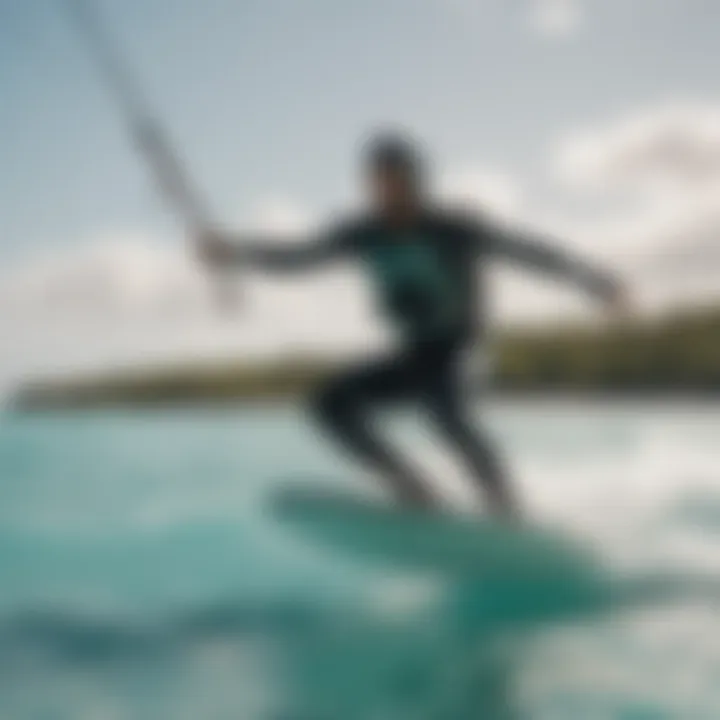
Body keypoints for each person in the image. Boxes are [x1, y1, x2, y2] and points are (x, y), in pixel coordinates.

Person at [198, 131, 626, 519]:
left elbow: (529, 252)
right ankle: (413, 489)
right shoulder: (363, 232)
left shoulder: (451, 228)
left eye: (397, 179)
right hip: (415, 354)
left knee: (442, 411)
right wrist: (235, 253)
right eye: (378, 181)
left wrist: (593, 281)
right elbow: (299, 258)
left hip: (462, 351)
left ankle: (505, 508)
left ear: (416, 182)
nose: (387, 189)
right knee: (329, 406)